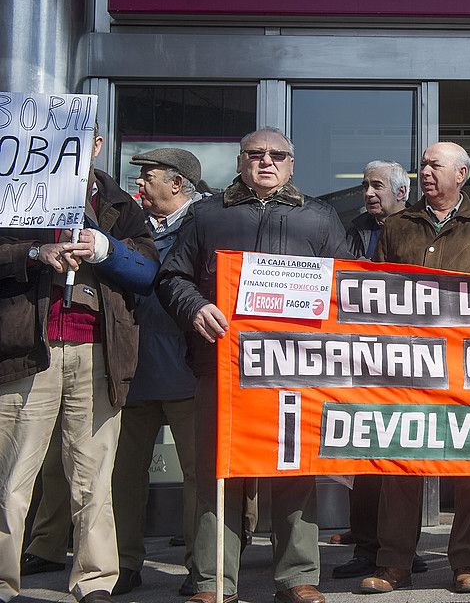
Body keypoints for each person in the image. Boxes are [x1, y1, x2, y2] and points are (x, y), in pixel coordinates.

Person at [157, 127, 354, 603]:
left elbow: (347, 285)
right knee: (219, 472)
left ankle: (297, 577)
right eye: (256, 154)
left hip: (295, 367)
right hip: (222, 366)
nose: (266, 162)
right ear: (240, 160)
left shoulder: (320, 218)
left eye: (277, 155)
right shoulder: (207, 215)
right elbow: (172, 276)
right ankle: (212, 581)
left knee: (293, 469)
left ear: (292, 163)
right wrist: (194, 307)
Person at [0, 128, 158, 603]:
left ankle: (95, 581)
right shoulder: (12, 190)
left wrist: (105, 248)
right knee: (13, 476)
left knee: (93, 475)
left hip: (98, 352)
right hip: (30, 349)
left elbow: (147, 272)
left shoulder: (119, 203)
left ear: (95, 145)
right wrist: (34, 253)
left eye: (81, 137)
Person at [360, 142, 470, 596]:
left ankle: (467, 563)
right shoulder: (397, 226)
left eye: (436, 165)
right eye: (424, 164)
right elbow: (374, 291)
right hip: (407, 367)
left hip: (467, 367)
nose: (426, 171)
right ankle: (394, 565)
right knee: (401, 465)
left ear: (462, 175)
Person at [111, 149, 206, 597]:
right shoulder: (132, 227)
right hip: (134, 370)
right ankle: (123, 564)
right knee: (124, 475)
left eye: (149, 177)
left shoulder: (205, 225)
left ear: (177, 183)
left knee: (196, 475)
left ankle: (199, 566)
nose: (141, 186)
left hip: (187, 373)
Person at [333, 161, 411, 582]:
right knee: (364, 456)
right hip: (362, 357)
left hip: (412, 360)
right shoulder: (352, 229)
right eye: (364, 185)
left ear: (401, 193)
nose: (368, 192)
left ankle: (402, 547)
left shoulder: (419, 226)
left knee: (404, 458)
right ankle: (366, 546)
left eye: (376, 186)